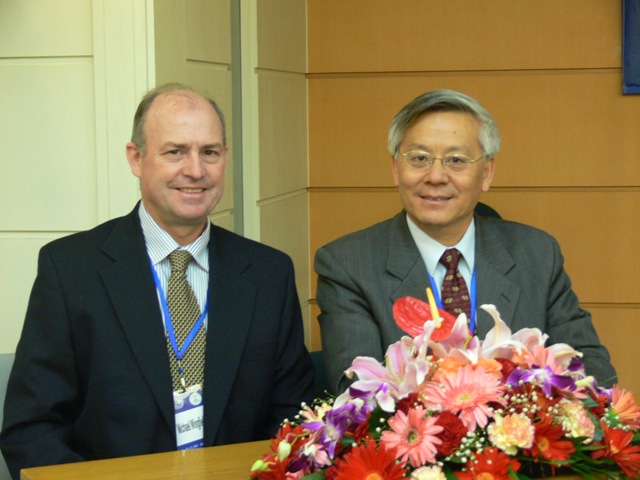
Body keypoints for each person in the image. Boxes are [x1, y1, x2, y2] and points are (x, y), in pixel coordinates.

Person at [0, 83, 314, 479]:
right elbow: (31, 429)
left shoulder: (269, 274)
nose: (196, 170)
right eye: (175, 151)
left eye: (210, 153)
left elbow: (295, 418)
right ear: (136, 158)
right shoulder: (70, 270)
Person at [315, 89, 617, 394]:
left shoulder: (537, 253)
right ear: (396, 168)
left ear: (486, 173)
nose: (435, 176)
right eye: (419, 158)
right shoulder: (347, 265)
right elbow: (358, 393)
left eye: (456, 160)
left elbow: (591, 370)